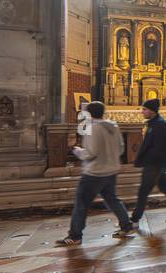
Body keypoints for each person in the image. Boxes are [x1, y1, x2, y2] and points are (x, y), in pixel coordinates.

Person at [56, 101, 134, 247]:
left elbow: (90, 153)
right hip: (111, 170)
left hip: (94, 173)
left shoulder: (93, 128)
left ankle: (75, 235)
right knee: (112, 200)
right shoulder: (114, 126)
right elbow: (121, 149)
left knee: (81, 204)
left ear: (89, 114)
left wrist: (76, 150)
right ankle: (126, 225)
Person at [129, 98, 166, 227]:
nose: (142, 112)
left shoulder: (159, 124)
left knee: (143, 191)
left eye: (144, 109)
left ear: (152, 111)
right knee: (163, 187)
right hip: (157, 163)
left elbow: (161, 147)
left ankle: (134, 220)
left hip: (154, 164)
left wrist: (148, 161)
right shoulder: (154, 123)